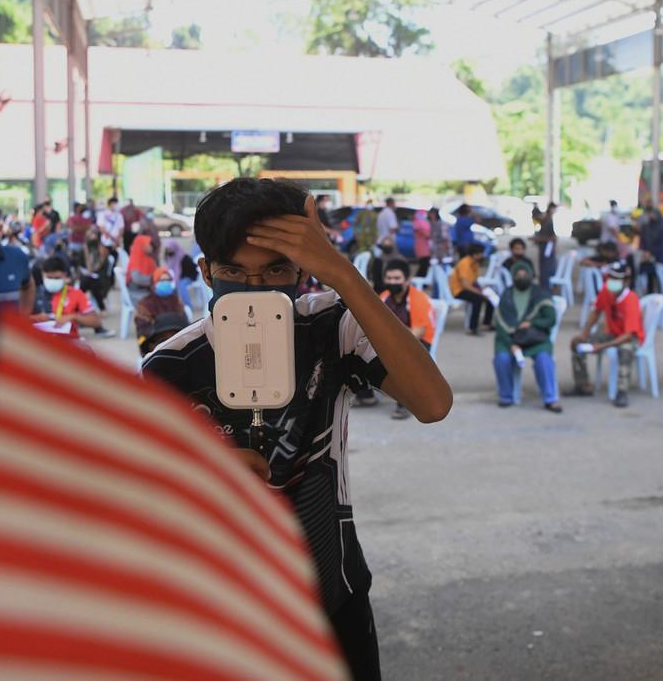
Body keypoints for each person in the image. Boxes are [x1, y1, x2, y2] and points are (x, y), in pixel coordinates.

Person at [142, 178, 452, 679]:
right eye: (233, 272)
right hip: (222, 609)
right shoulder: (171, 366)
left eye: (276, 270)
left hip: (334, 594)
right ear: (205, 272)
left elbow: (433, 402)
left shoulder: (332, 325)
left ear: (300, 271)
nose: (256, 289)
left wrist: (342, 274)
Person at [568, 262, 642, 408]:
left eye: (617, 278)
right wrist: (584, 334)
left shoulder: (631, 299)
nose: (612, 281)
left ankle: (622, 391)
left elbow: (628, 335)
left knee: (625, 350)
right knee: (578, 345)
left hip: (629, 337)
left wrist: (602, 346)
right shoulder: (605, 291)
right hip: (611, 334)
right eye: (610, 277)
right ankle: (583, 385)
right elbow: (595, 311)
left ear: (626, 281)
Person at [492, 260, 561, 413]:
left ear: (530, 275)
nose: (522, 277)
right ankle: (506, 396)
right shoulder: (507, 295)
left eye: (525, 274)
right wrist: (511, 344)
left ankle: (550, 398)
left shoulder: (540, 294)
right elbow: (500, 324)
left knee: (544, 360)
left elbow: (550, 319)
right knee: (502, 358)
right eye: (518, 275)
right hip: (510, 339)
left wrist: (531, 323)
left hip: (535, 338)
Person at [380, 259, 437, 420]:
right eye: (389, 278)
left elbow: (417, 333)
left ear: (407, 280)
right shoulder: (383, 298)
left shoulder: (418, 299)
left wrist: (388, 344)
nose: (392, 282)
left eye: (397, 278)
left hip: (419, 343)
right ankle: (366, 395)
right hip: (391, 342)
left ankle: (405, 404)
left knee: (402, 358)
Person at [31, 255, 102, 338]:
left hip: (66, 339)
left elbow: (96, 322)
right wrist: (36, 318)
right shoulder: (33, 293)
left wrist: (73, 317)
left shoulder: (76, 294)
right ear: (42, 274)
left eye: (57, 278)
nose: (53, 281)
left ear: (65, 275)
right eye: (49, 277)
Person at [135, 267, 190, 356]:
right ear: (154, 284)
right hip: (155, 345)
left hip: (178, 343)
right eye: (161, 280)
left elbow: (184, 322)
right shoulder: (145, 304)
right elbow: (143, 331)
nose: (165, 283)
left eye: (168, 280)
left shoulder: (176, 301)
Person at [77, 226, 117, 338]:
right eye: (90, 235)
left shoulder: (103, 250)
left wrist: (92, 271)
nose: (92, 238)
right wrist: (87, 271)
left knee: (91, 282)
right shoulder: (83, 249)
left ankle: (78, 307)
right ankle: (100, 307)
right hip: (87, 277)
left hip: (101, 278)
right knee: (87, 281)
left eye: (94, 235)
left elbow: (102, 269)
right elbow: (80, 266)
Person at [448, 244, 490, 335]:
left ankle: (487, 324)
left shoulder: (475, 263)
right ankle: (472, 328)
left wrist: (483, 291)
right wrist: (479, 293)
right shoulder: (465, 263)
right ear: (475, 254)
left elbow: (474, 281)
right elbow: (465, 285)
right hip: (458, 290)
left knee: (489, 298)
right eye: (480, 254)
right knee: (477, 299)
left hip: (468, 288)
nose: (482, 256)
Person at [638, 207, 663, 293]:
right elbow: (642, 241)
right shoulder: (646, 227)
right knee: (648, 277)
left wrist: (652, 252)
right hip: (647, 257)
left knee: (660, 278)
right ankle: (649, 293)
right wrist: (645, 252)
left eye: (653, 214)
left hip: (659, 255)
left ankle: (661, 294)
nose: (651, 216)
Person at [126, 223, 159, 298]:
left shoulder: (147, 258)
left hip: (145, 289)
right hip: (137, 291)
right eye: (149, 244)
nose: (151, 247)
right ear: (143, 245)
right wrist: (154, 279)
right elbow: (137, 279)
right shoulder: (136, 261)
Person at [534, 203, 558, 288]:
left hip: (547, 248)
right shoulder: (547, 219)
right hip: (545, 247)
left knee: (545, 269)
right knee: (543, 269)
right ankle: (544, 287)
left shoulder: (548, 220)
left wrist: (538, 239)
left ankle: (546, 288)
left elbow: (552, 237)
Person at [412, 207, 432, 279]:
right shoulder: (420, 224)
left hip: (422, 247)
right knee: (423, 265)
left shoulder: (418, 223)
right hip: (423, 248)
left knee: (424, 265)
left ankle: (420, 280)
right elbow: (427, 234)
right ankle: (418, 280)